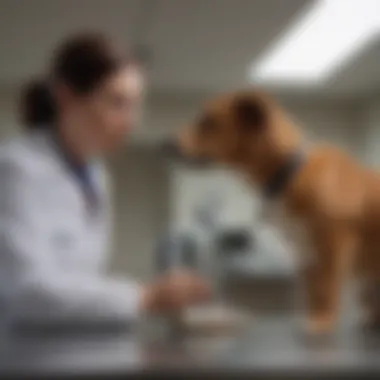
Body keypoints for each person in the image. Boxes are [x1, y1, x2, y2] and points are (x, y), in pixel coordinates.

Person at [0, 33, 210, 328]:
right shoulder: (16, 169)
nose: (131, 121)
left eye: (136, 105)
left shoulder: (96, 175)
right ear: (66, 98)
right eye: (117, 102)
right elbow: (27, 291)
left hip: (66, 343)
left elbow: (80, 282)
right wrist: (145, 297)